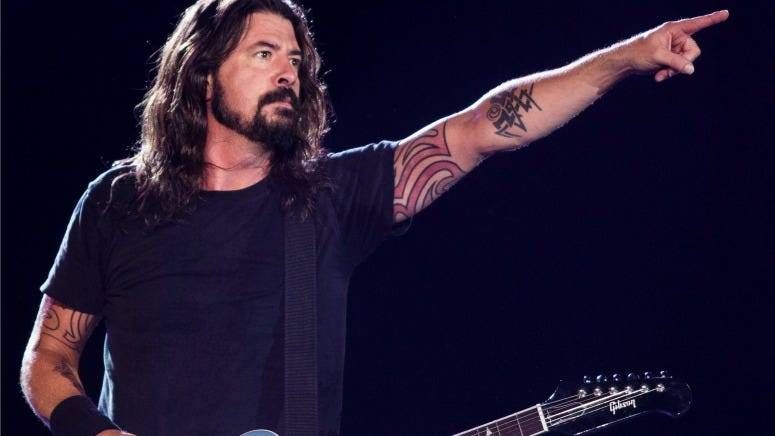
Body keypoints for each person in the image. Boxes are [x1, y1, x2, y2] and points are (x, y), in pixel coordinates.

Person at [19, 0, 728, 435]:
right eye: (264, 54)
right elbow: (47, 362)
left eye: (296, 59)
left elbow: (481, 127)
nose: (288, 72)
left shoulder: (329, 197)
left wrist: (624, 59)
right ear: (202, 74)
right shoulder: (118, 203)